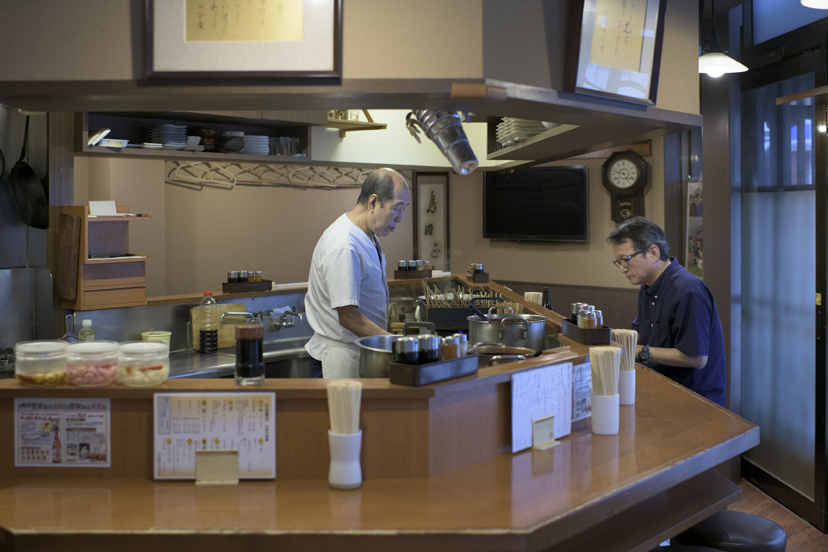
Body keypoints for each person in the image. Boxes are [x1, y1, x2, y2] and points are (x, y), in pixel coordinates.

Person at [606, 217, 726, 406]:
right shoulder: (648, 285)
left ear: (653, 252)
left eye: (626, 260)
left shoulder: (688, 290)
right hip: (660, 389)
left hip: (694, 400)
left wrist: (637, 351)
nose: (622, 268)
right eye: (618, 262)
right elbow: (642, 335)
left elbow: (696, 358)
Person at [304, 168, 410, 378]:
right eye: (397, 208)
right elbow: (348, 318)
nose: (400, 218)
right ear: (373, 202)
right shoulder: (344, 244)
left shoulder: (368, 234)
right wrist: (397, 344)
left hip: (359, 351)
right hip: (340, 359)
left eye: (404, 209)